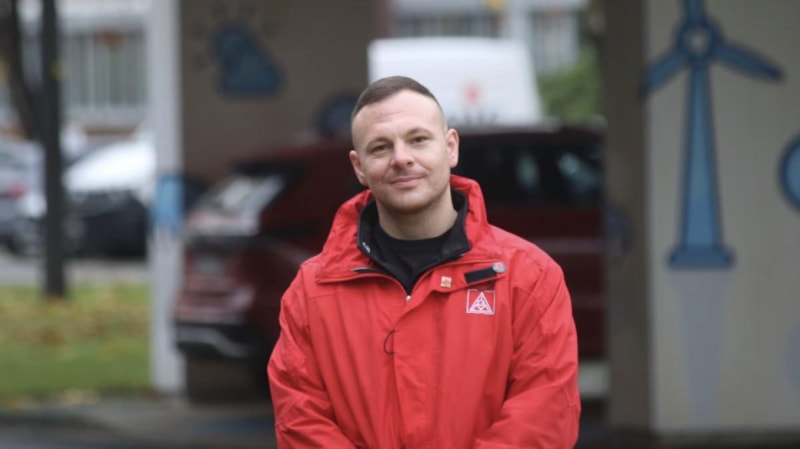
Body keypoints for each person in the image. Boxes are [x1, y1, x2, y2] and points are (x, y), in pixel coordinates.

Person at [267, 76, 581, 448]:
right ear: (359, 167)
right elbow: (300, 419)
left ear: (450, 148)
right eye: (381, 147)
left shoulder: (529, 276)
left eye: (418, 139)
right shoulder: (312, 290)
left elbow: (545, 413)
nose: (401, 158)